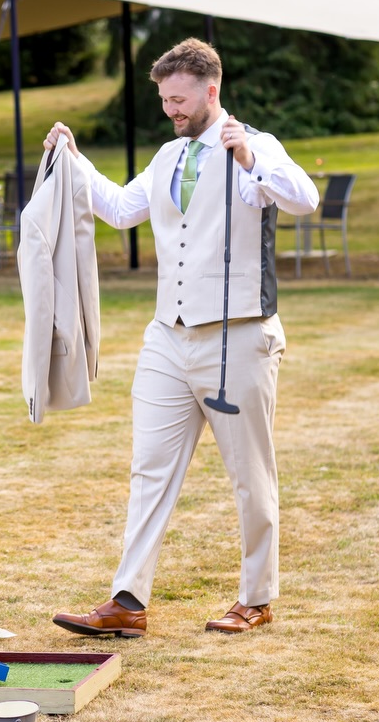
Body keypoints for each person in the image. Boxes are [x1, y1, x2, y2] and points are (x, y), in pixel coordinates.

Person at [45, 38, 318, 637]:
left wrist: (249, 157)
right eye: (164, 99)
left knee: (250, 473)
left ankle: (257, 597)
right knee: (149, 470)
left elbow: (305, 199)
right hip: (167, 337)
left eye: (179, 99)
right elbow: (119, 210)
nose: (171, 109)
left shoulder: (257, 145)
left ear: (210, 91)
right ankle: (127, 602)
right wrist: (73, 158)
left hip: (241, 338)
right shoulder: (169, 156)